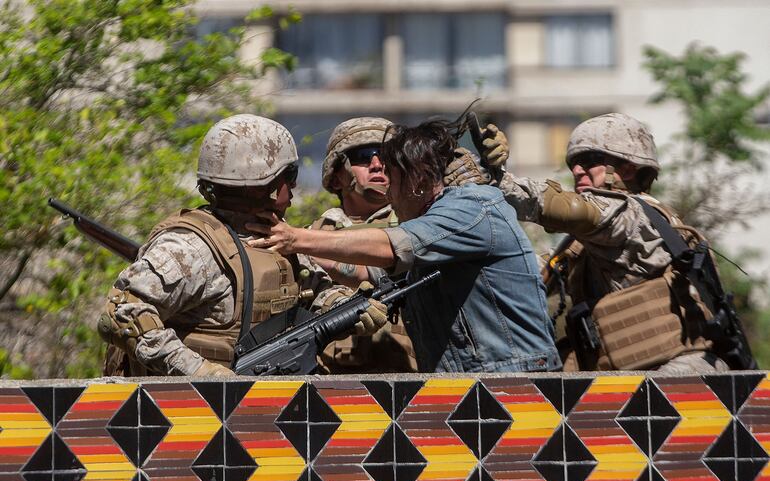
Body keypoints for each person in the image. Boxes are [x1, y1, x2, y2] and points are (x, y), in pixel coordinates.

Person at [249, 120, 560, 373]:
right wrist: (299, 250)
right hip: (466, 379)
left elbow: (392, 246)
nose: (389, 193)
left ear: (416, 181)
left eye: (392, 180)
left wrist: (297, 239)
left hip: (513, 378)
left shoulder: (472, 209)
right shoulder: (437, 223)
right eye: (362, 158)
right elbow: (374, 272)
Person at [97, 114, 386, 377]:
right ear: (268, 184)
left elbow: (313, 287)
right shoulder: (192, 247)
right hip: (187, 415)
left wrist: (343, 307)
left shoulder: (272, 235)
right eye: (290, 176)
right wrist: (200, 373)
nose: (294, 187)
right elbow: (122, 314)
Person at [447, 113, 732, 374]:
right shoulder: (580, 245)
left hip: (683, 371)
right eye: (574, 163)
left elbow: (562, 207)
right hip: (629, 374)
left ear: (629, 169)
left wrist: (495, 180)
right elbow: (520, 273)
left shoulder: (635, 215)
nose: (578, 170)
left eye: (591, 160)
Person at [311, 117, 417, 373]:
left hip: (410, 377)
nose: (377, 164)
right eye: (363, 156)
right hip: (331, 381)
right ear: (336, 177)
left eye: (386, 156)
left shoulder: (418, 225)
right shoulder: (313, 235)